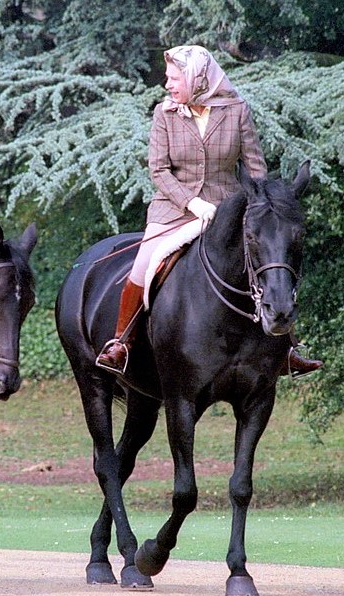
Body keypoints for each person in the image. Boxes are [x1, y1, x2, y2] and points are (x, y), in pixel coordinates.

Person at [95, 45, 322, 378]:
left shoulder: (237, 111)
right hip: (173, 210)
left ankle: (286, 348)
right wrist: (191, 202)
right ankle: (122, 343)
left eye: (174, 78)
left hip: (227, 210)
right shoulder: (164, 113)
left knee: (267, 261)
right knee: (144, 265)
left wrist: (260, 207)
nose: (168, 84)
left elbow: (255, 167)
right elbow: (159, 170)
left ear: (196, 78)